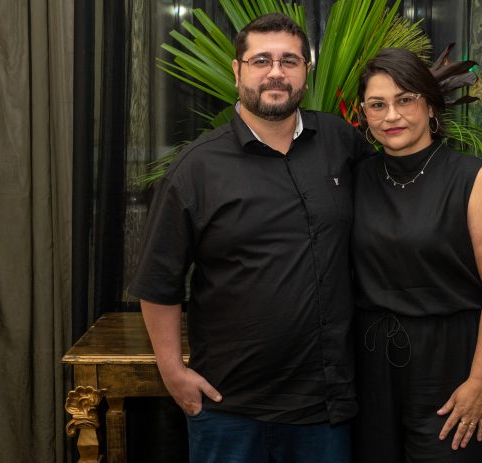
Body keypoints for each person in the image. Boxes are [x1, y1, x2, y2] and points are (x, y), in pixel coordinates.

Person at [129, 13, 373, 463]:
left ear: (306, 71)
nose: (276, 72)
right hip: (229, 407)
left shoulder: (341, 142)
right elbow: (159, 281)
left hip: (324, 407)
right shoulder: (197, 168)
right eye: (261, 60)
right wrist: (172, 371)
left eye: (289, 61)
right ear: (237, 70)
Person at [351, 47, 482, 462]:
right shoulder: (355, 178)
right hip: (370, 366)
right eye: (378, 105)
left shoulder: (472, 179)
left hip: (450, 364)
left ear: (430, 106)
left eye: (405, 99)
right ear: (364, 114)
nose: (392, 115)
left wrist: (480, 381)